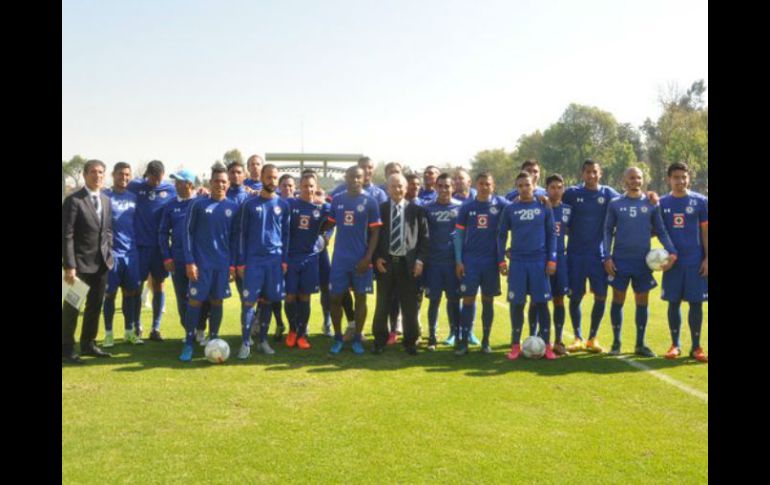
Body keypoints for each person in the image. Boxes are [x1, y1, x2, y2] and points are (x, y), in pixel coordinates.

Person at [603, 167, 678, 357]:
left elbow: (661, 230)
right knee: (618, 300)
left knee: (642, 301)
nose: (635, 181)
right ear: (624, 180)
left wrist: (672, 251)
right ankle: (616, 343)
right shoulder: (615, 203)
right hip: (620, 261)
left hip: (643, 262)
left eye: (638, 178)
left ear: (643, 180)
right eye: (631, 178)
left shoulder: (651, 203)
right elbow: (607, 231)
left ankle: (640, 344)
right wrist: (607, 257)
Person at [178, 166, 239, 361]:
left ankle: (213, 339)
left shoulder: (233, 208)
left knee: (217, 301)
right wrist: (190, 261)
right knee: (195, 301)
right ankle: (188, 343)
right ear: (210, 183)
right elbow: (187, 234)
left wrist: (232, 265)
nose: (220, 185)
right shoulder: (197, 204)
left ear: (228, 184)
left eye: (224, 182)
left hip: (222, 265)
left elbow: (235, 240)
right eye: (217, 181)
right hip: (201, 264)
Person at [561, 160, 620, 353]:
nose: (591, 175)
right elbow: (555, 202)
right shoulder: (572, 193)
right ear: (582, 173)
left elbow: (629, 199)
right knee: (575, 296)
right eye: (588, 172)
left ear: (600, 173)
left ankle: (592, 338)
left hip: (599, 256)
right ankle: (577, 337)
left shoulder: (608, 194)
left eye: (595, 172)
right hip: (575, 255)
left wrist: (650, 196)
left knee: (601, 295)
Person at [322, 166, 382, 355]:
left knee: (360, 298)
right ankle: (338, 337)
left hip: (361, 259)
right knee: (335, 298)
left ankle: (357, 338)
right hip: (340, 259)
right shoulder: (338, 200)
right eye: (351, 177)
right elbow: (329, 223)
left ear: (364, 179)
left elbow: (375, 232)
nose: (355, 180)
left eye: (358, 177)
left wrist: (368, 257)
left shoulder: (370, 201)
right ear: (345, 178)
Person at [498, 172, 558, 360]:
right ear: (516, 187)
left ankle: (547, 346)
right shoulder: (510, 209)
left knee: (542, 304)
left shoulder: (544, 206)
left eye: (527, 185)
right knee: (517, 304)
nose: (524, 188)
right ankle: (515, 346)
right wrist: (501, 260)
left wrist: (552, 260)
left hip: (539, 262)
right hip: (518, 263)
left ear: (534, 186)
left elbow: (552, 235)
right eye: (520, 185)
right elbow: (501, 236)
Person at [236, 164, 291, 359]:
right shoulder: (249, 204)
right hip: (253, 261)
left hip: (274, 261)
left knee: (268, 301)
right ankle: (245, 343)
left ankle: (262, 341)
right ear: (261, 178)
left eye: (275, 177)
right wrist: (240, 262)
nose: (272, 181)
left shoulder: (283, 205)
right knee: (249, 302)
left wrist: (284, 260)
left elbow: (286, 235)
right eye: (269, 177)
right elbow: (241, 235)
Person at [62, 159, 114, 363]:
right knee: (72, 307)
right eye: (93, 171)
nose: (97, 175)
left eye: (101, 172)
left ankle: (88, 344)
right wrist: (69, 266)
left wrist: (109, 252)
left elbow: (107, 230)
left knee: (95, 306)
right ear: (84, 175)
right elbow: (67, 235)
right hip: (79, 266)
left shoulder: (106, 200)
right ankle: (66, 348)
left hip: (101, 265)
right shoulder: (73, 200)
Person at [372, 174, 429, 355]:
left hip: (408, 264)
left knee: (409, 306)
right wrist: (376, 258)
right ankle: (379, 341)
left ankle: (410, 342)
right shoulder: (380, 209)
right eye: (393, 186)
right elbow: (372, 236)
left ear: (406, 188)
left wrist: (420, 261)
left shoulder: (416, 210)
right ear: (387, 188)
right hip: (386, 263)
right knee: (382, 304)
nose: (397, 189)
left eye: (400, 186)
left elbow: (425, 238)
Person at [454, 172, 510, 355]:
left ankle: (486, 341)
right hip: (470, 261)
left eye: (488, 184)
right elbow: (459, 235)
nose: (484, 187)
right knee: (468, 299)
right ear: (476, 185)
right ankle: (463, 342)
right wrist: (459, 260)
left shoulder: (500, 204)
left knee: (488, 300)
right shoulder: (467, 207)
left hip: (491, 262)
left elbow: (519, 207)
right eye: (481, 183)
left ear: (493, 186)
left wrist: (540, 199)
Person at [659, 162, 708, 363]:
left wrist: (707, 258)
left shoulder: (701, 201)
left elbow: (705, 232)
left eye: (683, 177)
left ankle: (696, 347)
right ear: (669, 179)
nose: (680, 181)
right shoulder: (662, 203)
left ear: (689, 178)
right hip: (673, 263)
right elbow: (657, 231)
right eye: (676, 177)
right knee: (673, 302)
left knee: (696, 303)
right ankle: (675, 345)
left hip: (695, 261)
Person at [127, 160, 176, 341]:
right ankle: (136, 325)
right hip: (139, 247)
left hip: (159, 248)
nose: (156, 182)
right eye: (153, 178)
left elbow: (186, 196)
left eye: (159, 179)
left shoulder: (170, 189)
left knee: (159, 285)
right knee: (136, 286)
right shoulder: (135, 186)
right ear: (147, 174)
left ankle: (155, 328)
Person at [284, 172, 331, 349]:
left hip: (311, 258)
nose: (308, 189)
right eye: (305, 186)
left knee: (305, 296)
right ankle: (292, 330)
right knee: (290, 296)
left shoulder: (322, 208)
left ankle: (302, 334)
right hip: (291, 257)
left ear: (316, 187)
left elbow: (336, 213)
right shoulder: (290, 204)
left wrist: (324, 201)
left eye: (311, 186)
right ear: (299, 187)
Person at [158, 169, 205, 341]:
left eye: (179, 182)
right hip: (177, 260)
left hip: (199, 260)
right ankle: (188, 330)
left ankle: (201, 329)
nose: (175, 185)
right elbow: (163, 233)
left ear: (189, 184)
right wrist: (167, 257)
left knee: (200, 296)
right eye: (175, 182)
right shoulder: (170, 205)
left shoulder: (201, 202)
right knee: (182, 297)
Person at [102, 162, 142, 347]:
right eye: (120, 174)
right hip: (111, 254)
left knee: (131, 294)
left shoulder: (133, 198)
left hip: (131, 254)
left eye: (127, 174)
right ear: (113, 175)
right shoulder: (105, 196)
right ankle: (108, 334)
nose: (124, 177)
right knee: (109, 294)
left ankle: (129, 332)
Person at [423, 173, 462, 349]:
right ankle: (432, 336)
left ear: (453, 187)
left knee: (454, 300)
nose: (444, 189)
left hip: (453, 263)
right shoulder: (427, 208)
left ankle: (456, 334)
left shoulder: (461, 207)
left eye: (447, 186)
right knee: (434, 300)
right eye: (440, 186)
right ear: (435, 187)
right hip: (433, 263)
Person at [544, 174, 572, 355]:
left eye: (559, 187)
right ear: (546, 189)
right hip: (540, 259)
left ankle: (558, 340)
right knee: (538, 300)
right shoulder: (540, 207)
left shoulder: (568, 210)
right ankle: (539, 339)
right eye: (552, 187)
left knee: (559, 299)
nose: (556, 191)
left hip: (561, 259)